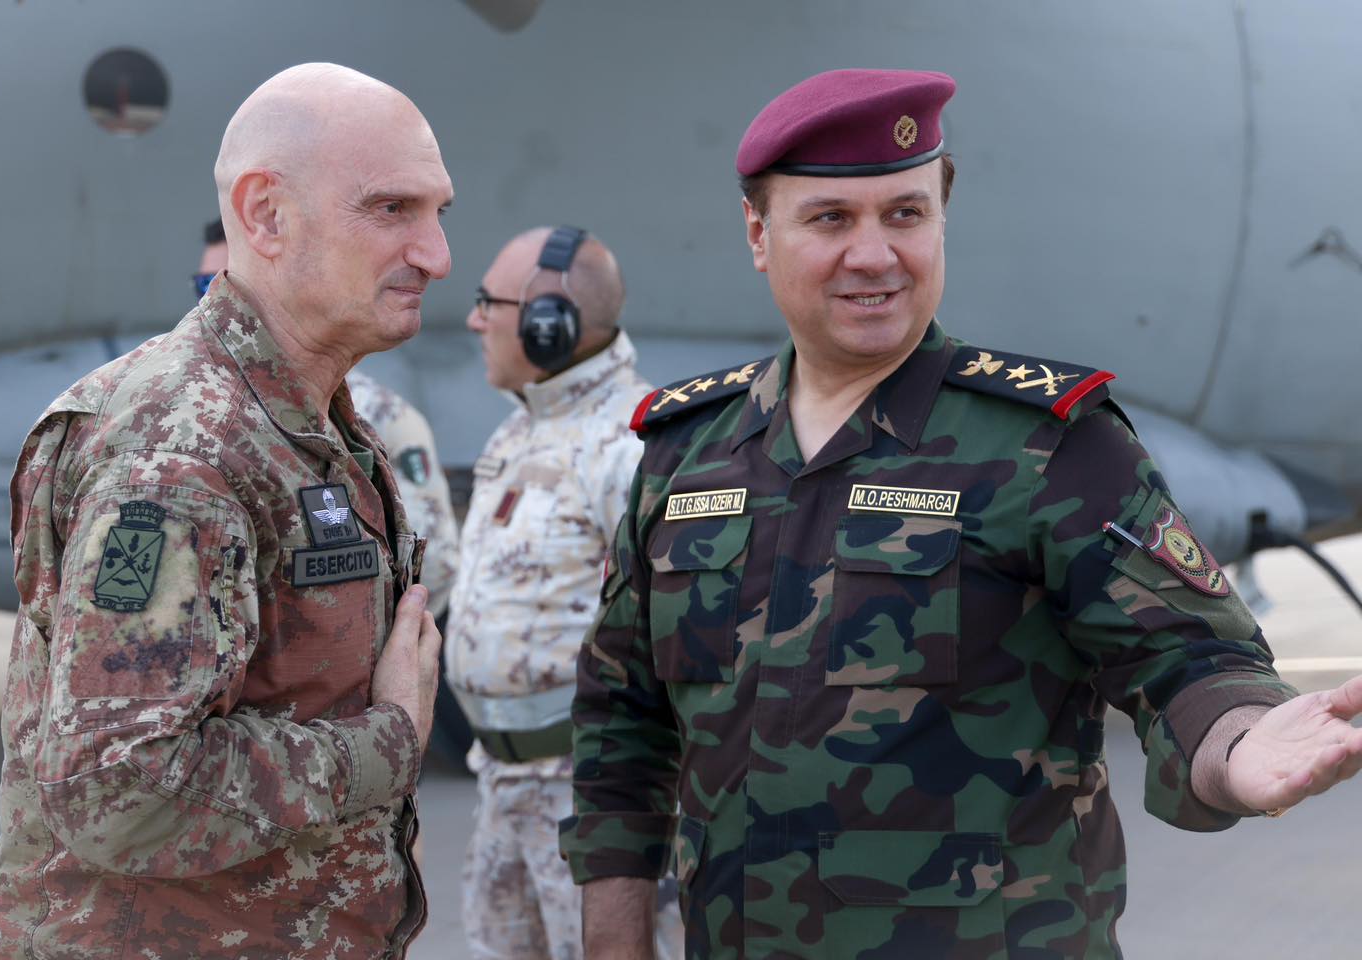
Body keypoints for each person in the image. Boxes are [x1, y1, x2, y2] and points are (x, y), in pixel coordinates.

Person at [560, 69, 1362, 958]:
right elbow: (622, 720)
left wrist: (1239, 747)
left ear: (942, 219)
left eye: (905, 213)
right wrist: (616, 939)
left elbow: (1191, 660)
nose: (874, 255)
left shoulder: (1051, 448)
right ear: (759, 232)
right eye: (831, 219)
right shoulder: (686, 454)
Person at [0, 62, 452, 959]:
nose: (436, 254)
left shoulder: (305, 419)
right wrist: (385, 745)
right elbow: (120, 790)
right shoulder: (178, 451)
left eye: (438, 212)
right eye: (392, 209)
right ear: (266, 215)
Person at [446, 226, 680, 959]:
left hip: (588, 796)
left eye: (488, 302)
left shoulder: (629, 444)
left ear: (550, 324)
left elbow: (671, 632)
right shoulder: (518, 432)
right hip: (503, 784)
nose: (473, 320)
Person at [197, 217, 460, 620]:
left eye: (231, 284)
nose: (216, 301)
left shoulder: (379, 416)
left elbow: (434, 564)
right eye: (204, 286)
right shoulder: (194, 407)